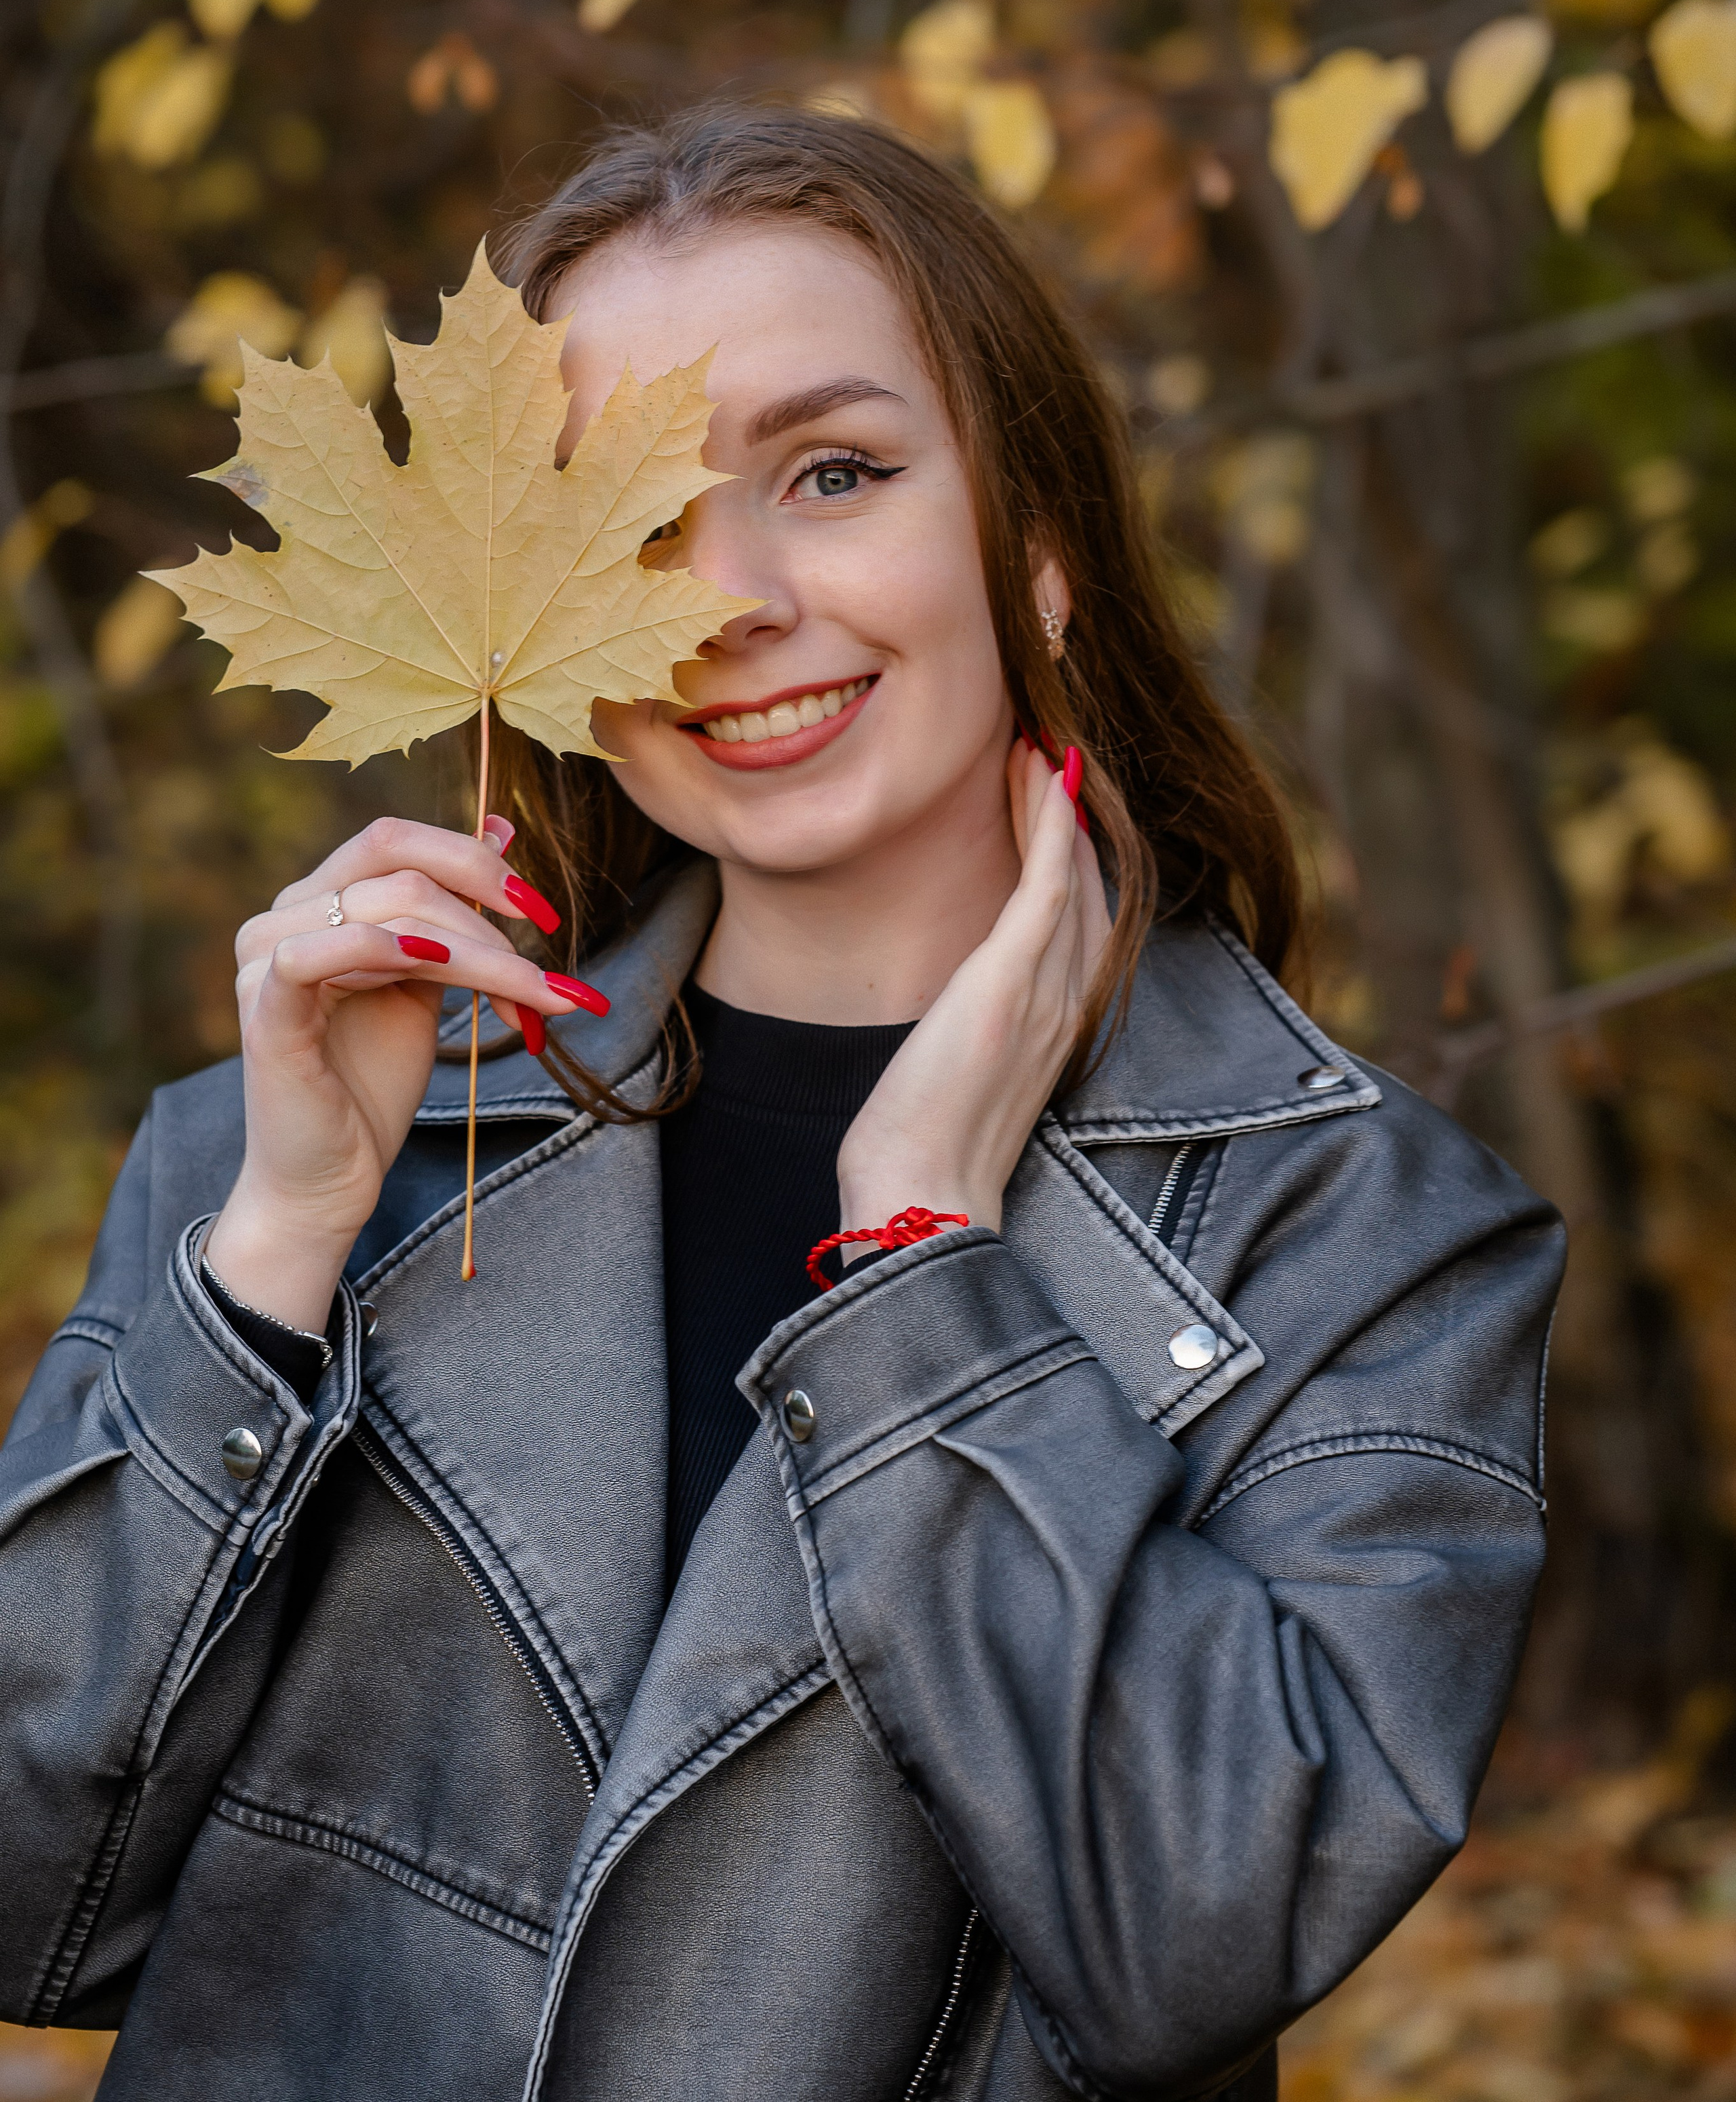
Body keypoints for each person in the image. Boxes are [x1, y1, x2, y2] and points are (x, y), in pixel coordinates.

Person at [0, 108, 1562, 2102]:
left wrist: (923, 1251)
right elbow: (29, 1898)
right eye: (629, 519)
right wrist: (280, 1253)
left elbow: (1203, 1933)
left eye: (835, 473)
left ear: (1046, 543)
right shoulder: (292, 1152)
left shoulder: (1366, 1236)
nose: (728, 596)